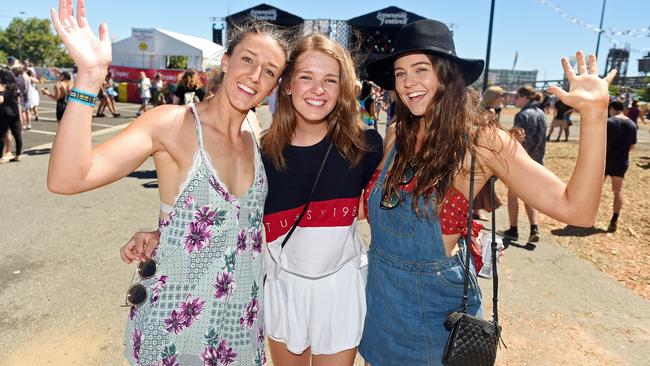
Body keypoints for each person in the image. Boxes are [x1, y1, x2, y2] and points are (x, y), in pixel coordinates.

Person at [359, 19, 614, 365]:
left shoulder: (482, 142)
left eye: (421, 69)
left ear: (448, 75)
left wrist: (595, 115)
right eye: (400, 73)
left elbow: (578, 210)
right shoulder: (396, 135)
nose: (408, 83)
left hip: (436, 324)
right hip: (380, 314)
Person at [46, 1, 289, 364]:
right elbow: (68, 177)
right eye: (248, 60)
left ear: (275, 84)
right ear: (225, 61)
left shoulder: (254, 135)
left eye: (269, 71)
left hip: (239, 331)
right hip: (175, 333)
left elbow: (227, 222)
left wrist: (168, 231)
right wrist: (89, 77)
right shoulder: (172, 124)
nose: (255, 76)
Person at [127, 33, 384, 366]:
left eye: (330, 80)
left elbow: (393, 206)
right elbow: (230, 215)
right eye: (306, 77)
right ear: (287, 85)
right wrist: (165, 233)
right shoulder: (262, 152)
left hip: (340, 289)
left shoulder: (367, 147)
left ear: (343, 89)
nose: (317, 89)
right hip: (282, 287)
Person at [502, 85, 548, 242]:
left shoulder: (522, 115)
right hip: (537, 162)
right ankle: (534, 228)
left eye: (517, 97)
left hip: (521, 162)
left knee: (512, 195)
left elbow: (516, 140)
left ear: (525, 98)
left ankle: (513, 229)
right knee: (530, 196)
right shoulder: (542, 113)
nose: (515, 99)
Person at [605, 100, 637, 232]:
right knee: (617, 191)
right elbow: (632, 146)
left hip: (605, 161)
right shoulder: (632, 124)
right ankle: (614, 220)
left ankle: (587, 215)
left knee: (595, 190)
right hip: (621, 161)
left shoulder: (609, 122)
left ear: (611, 108)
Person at [0, 68, 23, 163]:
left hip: (4, 113)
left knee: (1, 135)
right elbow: (17, 100)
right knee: (17, 134)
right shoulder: (15, 86)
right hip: (15, 111)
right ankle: (18, 155)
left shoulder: (2, 86)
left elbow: (0, 100)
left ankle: (0, 157)